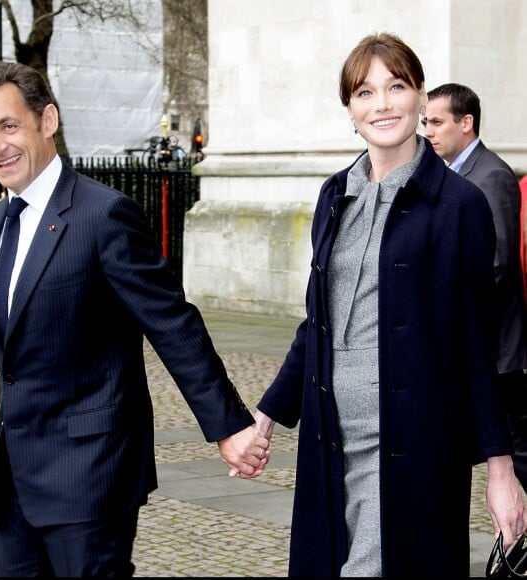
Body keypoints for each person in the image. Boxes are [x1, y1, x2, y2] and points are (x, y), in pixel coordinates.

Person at [0, 61, 269, 577]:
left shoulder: (104, 215)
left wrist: (229, 426)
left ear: (48, 120)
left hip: (90, 479)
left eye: (9, 126)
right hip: (13, 480)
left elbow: (173, 323)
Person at [250, 33, 527, 577]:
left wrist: (501, 469)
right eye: (365, 93)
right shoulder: (334, 195)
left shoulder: (460, 203)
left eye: (396, 86)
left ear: (421, 97)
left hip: (412, 444)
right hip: (329, 440)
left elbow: (476, 338)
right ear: (350, 110)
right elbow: (317, 324)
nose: (382, 104)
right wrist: (265, 418)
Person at [424, 82, 527, 495]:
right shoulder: (450, 174)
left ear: (465, 123)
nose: (428, 131)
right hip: (471, 350)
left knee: (517, 454)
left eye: (436, 122)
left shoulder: (492, 176)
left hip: (497, 352)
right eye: (425, 122)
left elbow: (498, 264)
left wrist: (447, 314)